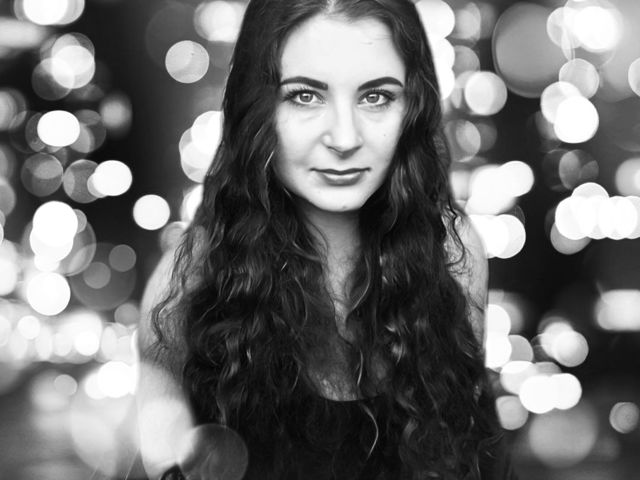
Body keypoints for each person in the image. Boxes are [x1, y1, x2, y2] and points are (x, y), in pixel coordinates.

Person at [137, 0, 518, 478]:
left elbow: (467, 454)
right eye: (305, 96)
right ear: (257, 108)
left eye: (376, 96)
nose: (344, 138)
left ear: (412, 108)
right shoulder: (190, 277)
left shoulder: (452, 251)